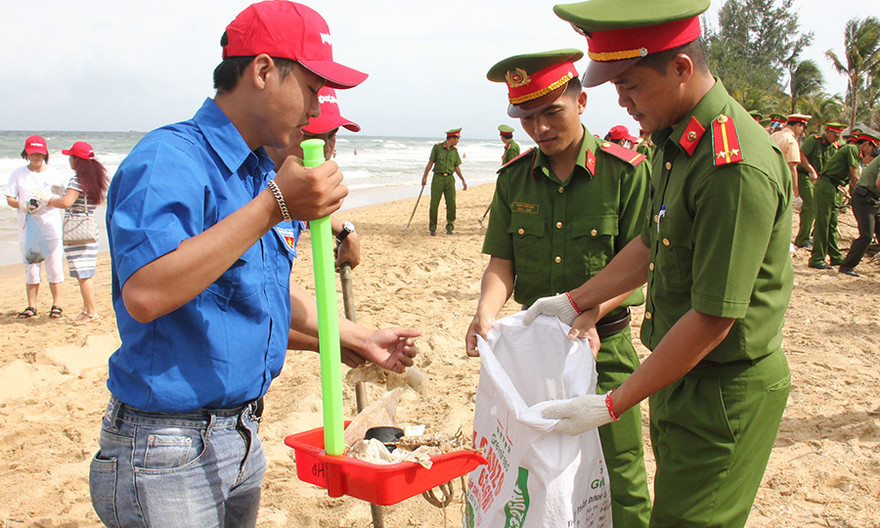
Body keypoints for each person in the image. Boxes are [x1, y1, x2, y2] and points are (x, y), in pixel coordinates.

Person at [89, 3, 420, 527]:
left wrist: (357, 338)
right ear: (263, 71)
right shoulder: (170, 159)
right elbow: (146, 293)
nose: (316, 110)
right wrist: (273, 206)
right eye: (312, 89)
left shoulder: (257, 172)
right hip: (166, 446)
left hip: (240, 435)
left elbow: (257, 299)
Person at [525, 1, 794, 526]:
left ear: (681, 69)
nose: (621, 101)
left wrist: (613, 403)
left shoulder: (731, 167)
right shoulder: (678, 142)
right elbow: (653, 243)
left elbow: (715, 317)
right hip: (680, 374)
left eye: (629, 85)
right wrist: (574, 300)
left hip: (723, 387)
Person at [469, 49, 652, 527]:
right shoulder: (514, 180)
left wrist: (591, 308)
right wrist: (485, 312)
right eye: (528, 118)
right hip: (535, 354)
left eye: (553, 112)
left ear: (582, 102)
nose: (541, 128)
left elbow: (643, 261)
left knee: (620, 470)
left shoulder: (626, 173)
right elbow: (502, 263)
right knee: (536, 468)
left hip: (604, 346)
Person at [265, 85, 362, 269]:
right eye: (310, 137)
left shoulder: (294, 187)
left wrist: (344, 232)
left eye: (332, 135)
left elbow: (298, 210)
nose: (325, 149)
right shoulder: (251, 186)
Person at [45, 142, 109, 324]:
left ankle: (91, 313)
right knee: (86, 273)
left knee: (83, 274)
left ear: (76, 160)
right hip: (89, 228)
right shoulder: (93, 180)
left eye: (70, 156)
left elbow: (66, 203)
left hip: (76, 230)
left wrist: (48, 199)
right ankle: (86, 310)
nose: (69, 160)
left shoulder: (77, 180)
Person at [5, 135, 65, 319]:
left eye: (39, 153)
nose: (36, 156)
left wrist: (47, 201)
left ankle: (57, 305)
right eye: (32, 153)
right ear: (26, 154)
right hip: (28, 230)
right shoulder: (18, 173)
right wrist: (22, 204)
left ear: (45, 153)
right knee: (31, 268)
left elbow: (62, 198)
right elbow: (10, 198)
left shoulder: (53, 174)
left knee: (54, 267)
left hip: (50, 227)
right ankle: (32, 306)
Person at [809, 132, 880, 271]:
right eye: (872, 149)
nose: (871, 153)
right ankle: (817, 258)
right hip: (826, 186)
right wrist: (860, 192)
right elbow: (855, 177)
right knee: (823, 222)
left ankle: (835, 256)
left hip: (833, 186)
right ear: (866, 144)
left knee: (832, 224)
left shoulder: (854, 152)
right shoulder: (852, 149)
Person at [794, 122, 845, 249]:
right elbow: (801, 154)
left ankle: (812, 237)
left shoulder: (834, 147)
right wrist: (811, 170)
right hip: (805, 175)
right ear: (828, 132)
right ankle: (802, 239)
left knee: (819, 208)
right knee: (810, 205)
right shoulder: (814, 140)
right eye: (835, 135)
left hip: (820, 180)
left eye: (839, 136)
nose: (837, 138)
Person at [838, 148, 879, 276]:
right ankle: (847, 266)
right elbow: (879, 183)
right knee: (867, 235)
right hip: (864, 199)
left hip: (874, 200)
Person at [421, 128, 467, 235]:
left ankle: (450, 227)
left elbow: (457, 167)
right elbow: (430, 163)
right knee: (434, 204)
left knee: (451, 203)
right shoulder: (437, 148)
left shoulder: (455, 151)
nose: (458, 141)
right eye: (457, 138)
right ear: (452, 138)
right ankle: (433, 228)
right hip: (438, 178)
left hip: (450, 179)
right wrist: (424, 177)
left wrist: (463, 180)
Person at [770, 113, 811, 199]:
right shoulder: (791, 141)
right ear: (798, 125)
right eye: (803, 128)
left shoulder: (773, 136)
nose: (802, 131)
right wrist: (796, 194)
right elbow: (792, 168)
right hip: (780, 182)